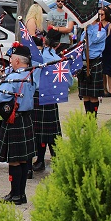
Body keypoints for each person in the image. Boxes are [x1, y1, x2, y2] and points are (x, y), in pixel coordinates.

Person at [0, 44, 36, 205]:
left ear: (16, 60)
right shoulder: (30, 75)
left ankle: (15, 195)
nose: (10, 61)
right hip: (26, 118)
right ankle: (20, 194)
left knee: (15, 160)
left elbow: (0, 97)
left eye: (11, 59)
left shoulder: (14, 77)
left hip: (15, 120)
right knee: (23, 160)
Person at [30, 28, 73, 176]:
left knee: (40, 132)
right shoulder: (59, 60)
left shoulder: (38, 57)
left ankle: (41, 160)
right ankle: (56, 161)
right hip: (51, 97)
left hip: (38, 95)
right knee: (52, 132)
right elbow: (69, 82)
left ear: (45, 40)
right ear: (58, 44)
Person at [79, 12, 107, 118]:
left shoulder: (101, 31)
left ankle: (93, 119)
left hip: (95, 63)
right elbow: (82, 43)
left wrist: (88, 29)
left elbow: (90, 41)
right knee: (85, 94)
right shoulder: (85, 31)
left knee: (93, 95)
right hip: (85, 63)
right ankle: (88, 117)